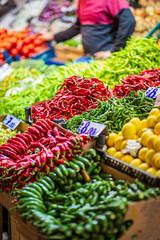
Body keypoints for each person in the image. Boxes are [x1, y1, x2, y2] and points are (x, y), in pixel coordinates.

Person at [40, 0, 136, 60]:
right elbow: (78, 27)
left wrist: (114, 51)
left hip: (106, 59)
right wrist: (54, 37)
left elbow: (129, 21)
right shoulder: (82, 2)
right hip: (89, 56)